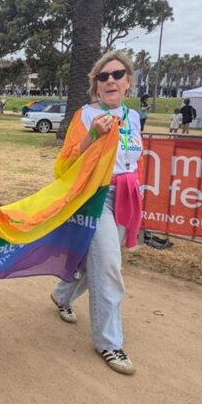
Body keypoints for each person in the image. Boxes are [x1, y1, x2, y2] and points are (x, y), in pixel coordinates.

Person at [50, 50, 143, 375]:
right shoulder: (86, 116)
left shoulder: (132, 117)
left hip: (126, 197)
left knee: (98, 266)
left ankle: (61, 294)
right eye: (103, 77)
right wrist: (92, 136)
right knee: (109, 268)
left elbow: (131, 160)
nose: (110, 80)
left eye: (117, 75)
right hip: (96, 197)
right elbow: (64, 165)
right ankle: (109, 343)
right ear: (96, 84)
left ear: (128, 81)